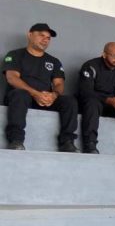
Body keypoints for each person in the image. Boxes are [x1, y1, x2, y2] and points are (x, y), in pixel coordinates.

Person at [2, 23, 78, 152]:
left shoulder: (54, 61)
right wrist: (35, 93)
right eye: (41, 35)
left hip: (45, 100)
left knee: (69, 101)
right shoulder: (15, 54)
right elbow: (12, 78)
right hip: (22, 98)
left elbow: (59, 84)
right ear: (30, 35)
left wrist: (53, 95)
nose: (45, 40)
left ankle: (67, 142)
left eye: (48, 38)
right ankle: (16, 140)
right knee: (20, 94)